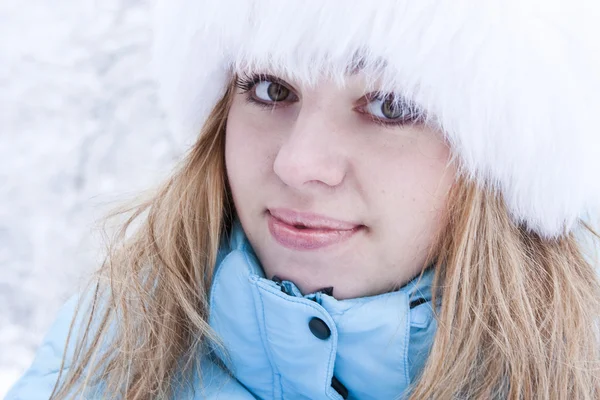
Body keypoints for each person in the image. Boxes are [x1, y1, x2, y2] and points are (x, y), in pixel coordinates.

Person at [6, 1, 600, 399]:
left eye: (392, 105)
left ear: (503, 161)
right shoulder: (105, 356)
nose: (297, 162)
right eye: (271, 88)